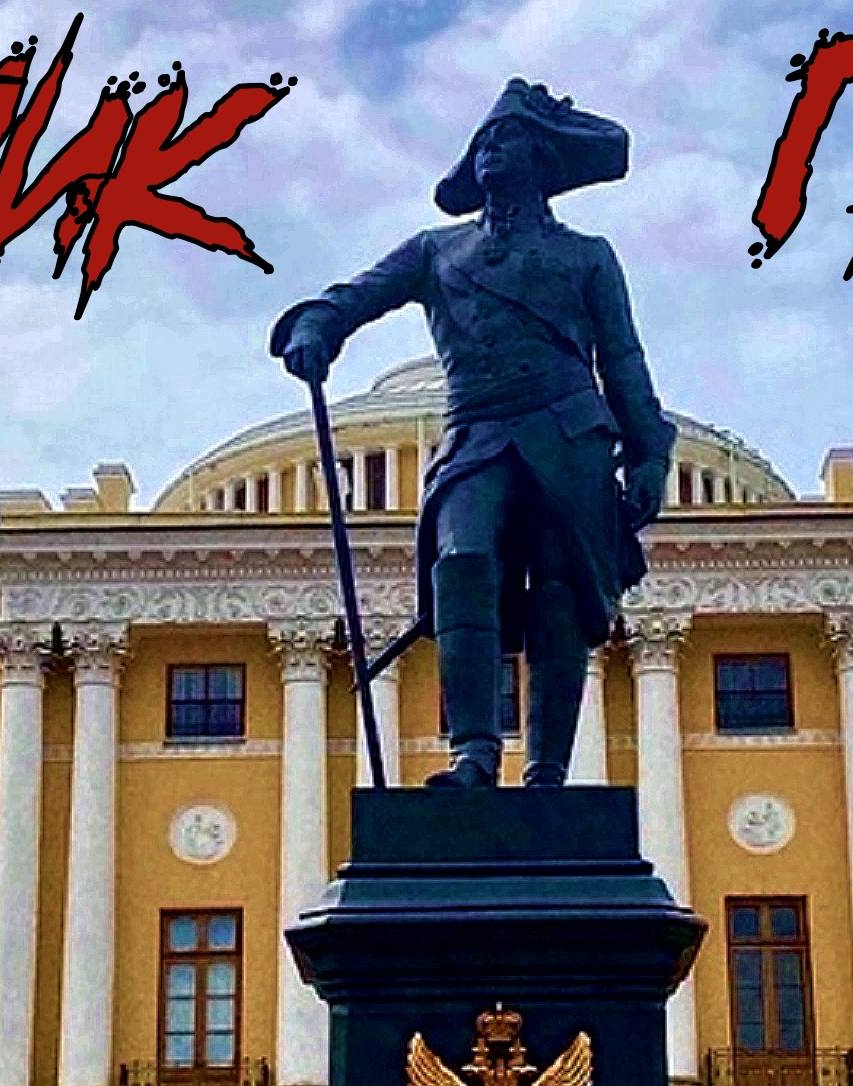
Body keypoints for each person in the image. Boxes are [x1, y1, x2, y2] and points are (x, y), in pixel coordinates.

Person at [274, 78, 673, 789]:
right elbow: (358, 295)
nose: (490, 150)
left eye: (507, 137)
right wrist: (317, 326)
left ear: (543, 156)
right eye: (483, 140)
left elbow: (622, 359)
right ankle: (475, 755)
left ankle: (547, 770)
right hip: (477, 430)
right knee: (461, 563)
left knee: (558, 590)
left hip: (568, 433)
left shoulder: (587, 255)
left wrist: (648, 452)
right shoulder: (438, 250)